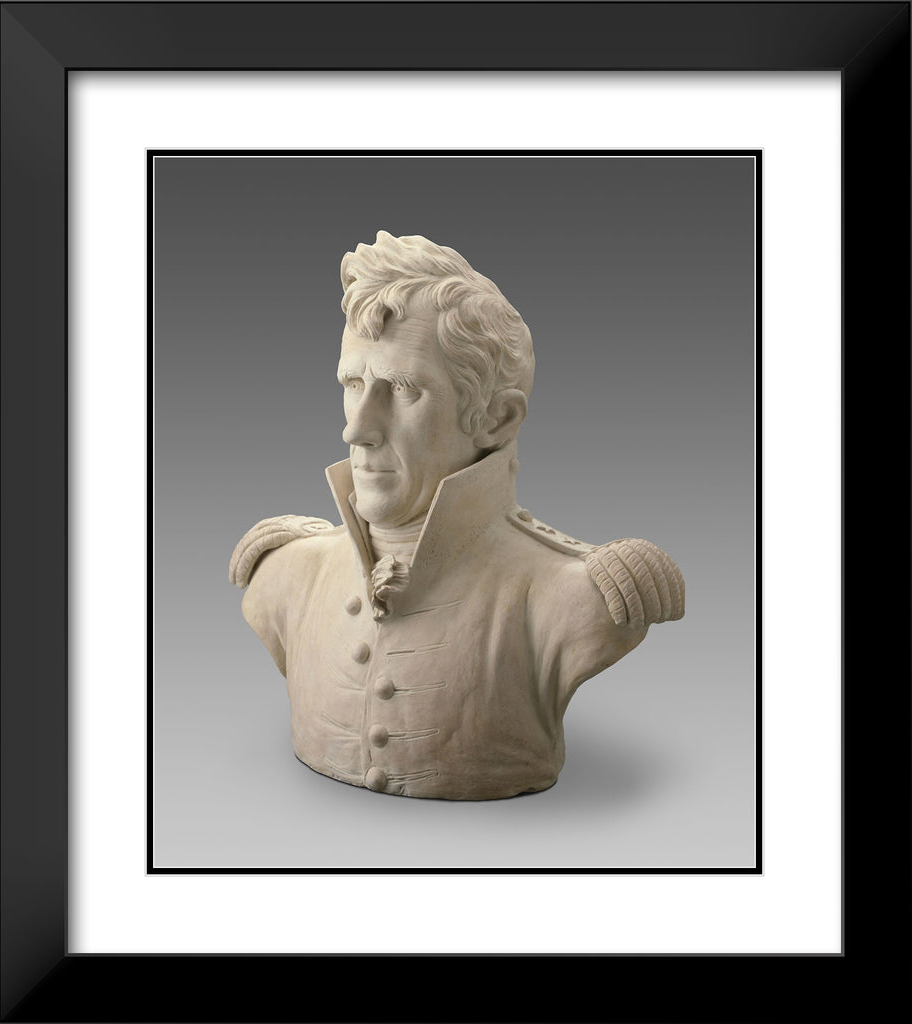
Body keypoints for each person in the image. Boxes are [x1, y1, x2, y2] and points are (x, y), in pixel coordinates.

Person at [229, 231, 684, 800]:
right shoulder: (286, 574)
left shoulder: (572, 597)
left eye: (403, 389)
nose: (356, 429)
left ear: (496, 419)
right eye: (353, 383)